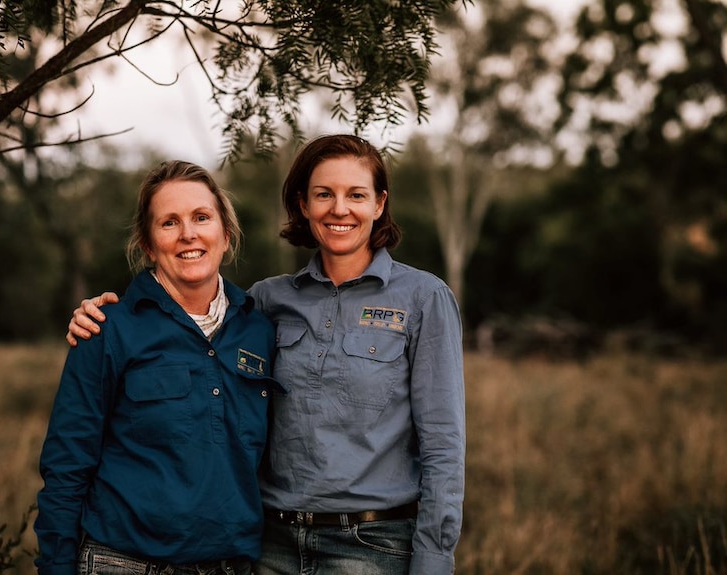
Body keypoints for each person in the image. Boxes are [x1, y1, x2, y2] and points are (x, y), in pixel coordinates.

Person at [67, 135, 466, 575]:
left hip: (370, 545)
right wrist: (99, 314)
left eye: (356, 195)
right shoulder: (265, 303)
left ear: (379, 204)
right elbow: (188, 330)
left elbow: (443, 446)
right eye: (323, 194)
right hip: (269, 546)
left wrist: (433, 560)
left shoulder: (424, 298)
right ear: (303, 205)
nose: (339, 209)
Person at [35, 160, 276, 575]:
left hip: (229, 565)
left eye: (202, 217)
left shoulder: (260, 330)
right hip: (121, 561)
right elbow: (66, 464)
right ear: (148, 244)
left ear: (226, 233)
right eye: (169, 222)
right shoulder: (107, 329)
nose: (188, 234)